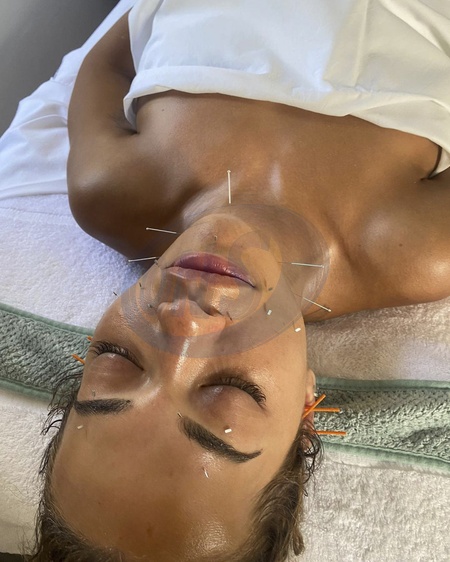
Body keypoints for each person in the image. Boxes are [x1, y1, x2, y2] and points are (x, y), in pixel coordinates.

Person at [27, 1, 450, 560]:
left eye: (117, 362)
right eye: (230, 393)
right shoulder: (419, 248)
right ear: (307, 411)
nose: (182, 323)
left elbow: (112, 59)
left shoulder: (107, 188)